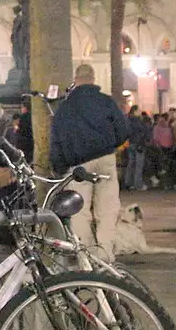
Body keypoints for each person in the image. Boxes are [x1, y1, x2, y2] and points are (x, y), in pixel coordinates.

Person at [48, 62, 128, 263]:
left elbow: (56, 139)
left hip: (79, 165)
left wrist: (58, 165)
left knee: (80, 211)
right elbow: (124, 129)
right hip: (105, 160)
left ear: (75, 80)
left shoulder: (65, 107)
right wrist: (111, 144)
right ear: (93, 80)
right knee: (108, 208)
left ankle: (87, 254)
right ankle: (105, 253)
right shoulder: (106, 102)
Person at [124, 106, 150, 190]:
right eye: (138, 110)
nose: (140, 112)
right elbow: (143, 130)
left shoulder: (126, 119)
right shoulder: (137, 120)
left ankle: (128, 183)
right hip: (138, 144)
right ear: (134, 111)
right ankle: (138, 184)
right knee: (139, 165)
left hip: (130, 143)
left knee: (131, 163)